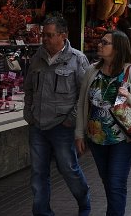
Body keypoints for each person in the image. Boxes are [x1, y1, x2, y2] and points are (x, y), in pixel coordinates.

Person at [75, 30, 131, 216]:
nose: (100, 45)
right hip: (97, 138)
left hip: (124, 137)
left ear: (118, 48)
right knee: (108, 180)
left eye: (105, 43)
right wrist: (79, 134)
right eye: (100, 41)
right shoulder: (92, 71)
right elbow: (82, 103)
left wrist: (130, 97)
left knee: (116, 182)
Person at [24, 16, 91, 216]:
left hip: (62, 126)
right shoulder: (37, 57)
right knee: (38, 172)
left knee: (68, 169)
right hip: (38, 125)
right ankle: (42, 212)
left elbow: (85, 94)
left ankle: (83, 200)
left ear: (63, 36)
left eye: (50, 35)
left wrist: (70, 120)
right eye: (43, 35)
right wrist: (29, 113)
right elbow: (28, 88)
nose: (45, 39)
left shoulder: (77, 59)